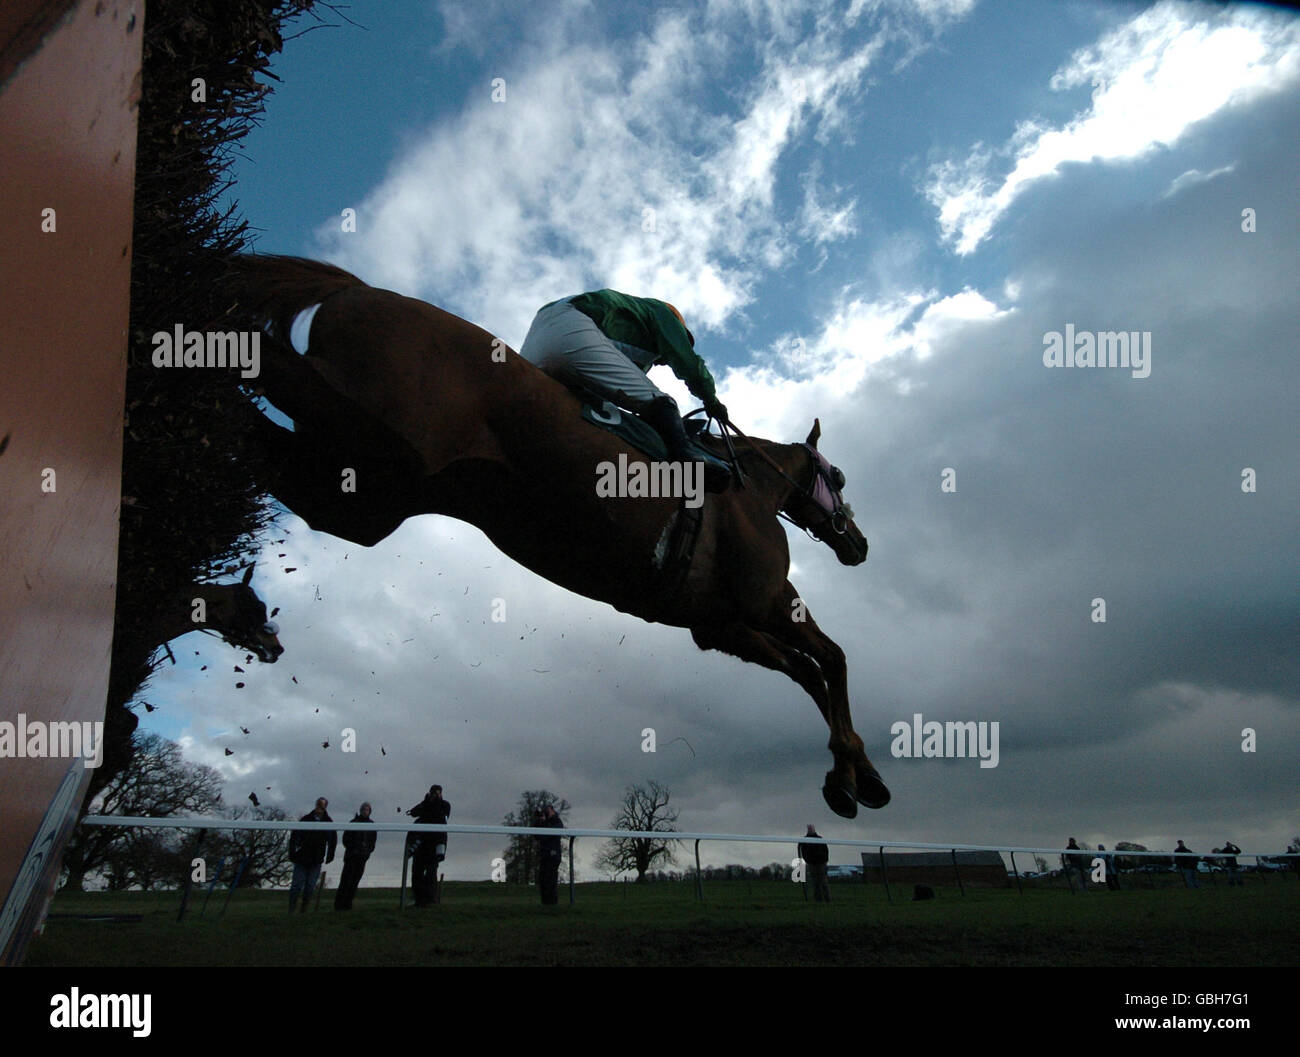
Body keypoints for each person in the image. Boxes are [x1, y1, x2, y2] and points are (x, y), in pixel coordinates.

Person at [517, 289, 729, 486]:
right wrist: (711, 401)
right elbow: (687, 362)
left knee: (598, 412)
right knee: (662, 401)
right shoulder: (663, 313)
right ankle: (685, 459)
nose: (662, 361)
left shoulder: (631, 342)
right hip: (571, 327)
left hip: (535, 342)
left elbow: (618, 394)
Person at [288, 797, 336, 913]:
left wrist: (330, 855)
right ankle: (291, 909)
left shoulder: (328, 822)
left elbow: (332, 840)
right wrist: (292, 853)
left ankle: (303, 909)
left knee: (309, 887)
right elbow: (295, 837)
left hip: (316, 859)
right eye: (318, 805)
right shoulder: (305, 819)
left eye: (322, 806)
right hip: (302, 858)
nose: (319, 808)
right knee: (296, 886)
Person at [407, 784, 451, 906]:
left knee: (431, 873)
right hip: (421, 843)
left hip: (435, 843)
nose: (436, 795)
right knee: (417, 873)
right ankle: (418, 899)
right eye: (434, 793)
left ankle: (430, 899)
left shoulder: (445, 805)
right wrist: (427, 801)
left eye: (438, 793)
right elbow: (414, 812)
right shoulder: (425, 804)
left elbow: (442, 815)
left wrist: (436, 802)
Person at [334, 802, 376, 910]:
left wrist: (367, 852)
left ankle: (348, 904)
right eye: (364, 810)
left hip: (362, 857)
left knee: (355, 881)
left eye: (367, 810)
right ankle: (339, 905)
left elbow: (372, 842)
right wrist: (354, 848)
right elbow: (346, 840)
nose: (365, 812)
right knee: (346, 880)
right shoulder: (353, 823)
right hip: (351, 857)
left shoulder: (372, 825)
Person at [535, 803, 565, 906]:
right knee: (543, 880)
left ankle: (552, 904)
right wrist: (540, 821)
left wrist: (545, 822)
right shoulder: (545, 822)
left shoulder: (556, 821)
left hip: (553, 855)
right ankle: (545, 903)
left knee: (550, 880)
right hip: (544, 855)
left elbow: (548, 835)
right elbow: (536, 835)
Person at [798, 824, 831, 903]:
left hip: (821, 863)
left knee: (823, 882)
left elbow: (826, 851)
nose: (810, 830)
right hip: (812, 864)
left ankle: (827, 899)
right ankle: (818, 900)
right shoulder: (805, 840)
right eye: (809, 829)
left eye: (811, 829)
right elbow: (803, 851)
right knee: (815, 883)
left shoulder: (820, 839)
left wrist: (825, 860)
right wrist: (808, 860)